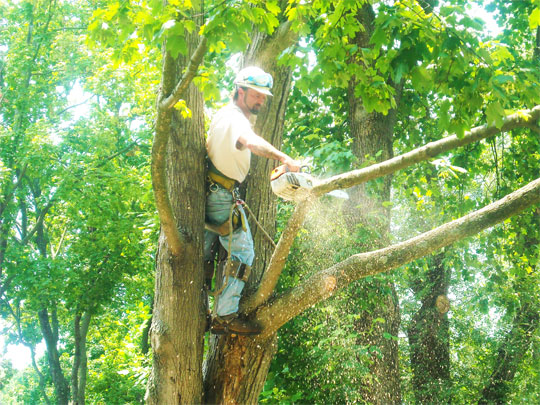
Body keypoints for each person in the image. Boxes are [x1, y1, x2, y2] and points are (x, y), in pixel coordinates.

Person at [204, 66, 300, 335]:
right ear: (239, 91)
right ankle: (224, 316)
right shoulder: (234, 118)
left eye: (263, 97)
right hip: (219, 195)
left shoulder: (226, 116)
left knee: (204, 256)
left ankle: (203, 313)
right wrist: (284, 159)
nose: (260, 101)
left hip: (217, 191)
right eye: (255, 95)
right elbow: (251, 142)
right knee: (243, 252)